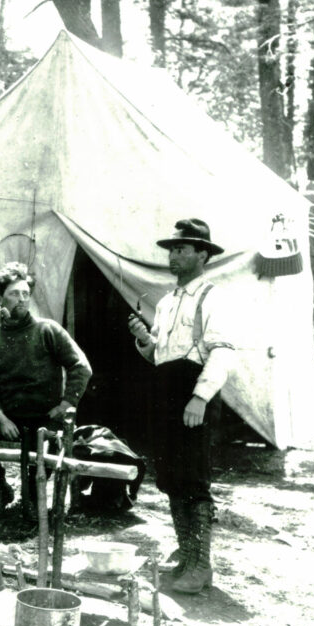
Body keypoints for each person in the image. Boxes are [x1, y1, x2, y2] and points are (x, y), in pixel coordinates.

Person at [127, 218, 235, 594]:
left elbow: (221, 351)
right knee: (171, 477)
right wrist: (144, 340)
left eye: (182, 249)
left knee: (193, 477)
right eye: (172, 249)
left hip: (192, 394)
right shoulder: (167, 302)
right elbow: (158, 355)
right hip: (165, 392)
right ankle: (186, 554)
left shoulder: (212, 297)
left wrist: (200, 397)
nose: (174, 256)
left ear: (202, 255)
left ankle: (201, 565)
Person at [0, 261, 92, 520]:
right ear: (0, 298)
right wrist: (0, 419)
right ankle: (2, 490)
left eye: (26, 293)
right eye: (14, 294)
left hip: (45, 419)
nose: (22, 299)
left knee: (45, 450)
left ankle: (33, 497)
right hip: (9, 420)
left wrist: (66, 404)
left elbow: (81, 367)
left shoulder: (48, 330)